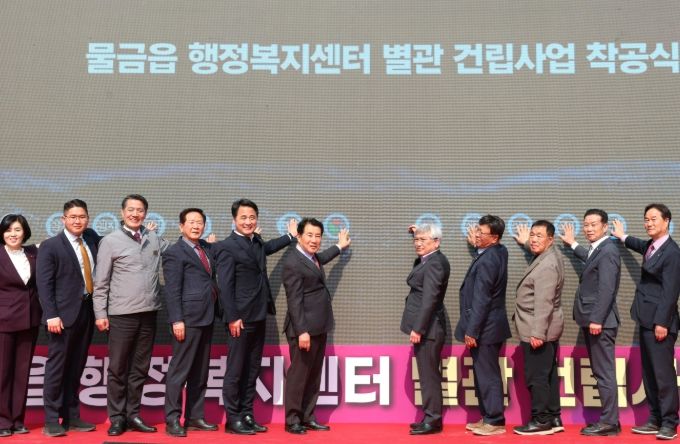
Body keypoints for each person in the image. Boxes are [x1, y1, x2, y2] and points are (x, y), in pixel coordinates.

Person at [214, 199, 297, 435]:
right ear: (234, 220)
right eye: (243, 217)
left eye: (252, 217)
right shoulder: (226, 247)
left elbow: (268, 247)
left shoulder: (256, 241)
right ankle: (233, 419)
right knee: (235, 370)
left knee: (252, 369)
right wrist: (233, 317)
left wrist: (290, 237)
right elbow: (225, 286)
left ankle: (247, 414)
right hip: (239, 319)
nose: (248, 221)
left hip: (259, 315)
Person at [93, 194, 170, 436]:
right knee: (117, 368)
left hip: (148, 313)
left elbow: (177, 251)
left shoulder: (153, 238)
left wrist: (206, 244)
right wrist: (100, 313)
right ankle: (117, 418)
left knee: (140, 368)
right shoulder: (110, 241)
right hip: (121, 315)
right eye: (131, 210)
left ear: (145, 214)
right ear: (122, 212)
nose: (135, 214)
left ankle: (133, 414)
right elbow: (100, 282)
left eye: (140, 210)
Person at [611, 203, 680, 440]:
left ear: (667, 221)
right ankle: (655, 418)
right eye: (646, 219)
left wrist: (662, 323)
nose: (649, 223)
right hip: (645, 319)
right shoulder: (652, 245)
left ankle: (669, 423)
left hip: (660, 324)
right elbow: (640, 245)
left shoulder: (672, 253)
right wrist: (622, 236)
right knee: (649, 373)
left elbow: (671, 292)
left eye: (653, 219)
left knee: (663, 375)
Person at [37, 199, 100, 437]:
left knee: (76, 366)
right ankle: (52, 419)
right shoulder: (51, 246)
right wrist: (51, 315)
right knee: (57, 367)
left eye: (82, 216)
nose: (77, 221)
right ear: (63, 219)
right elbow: (45, 285)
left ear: (88, 219)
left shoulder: (91, 239)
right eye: (73, 217)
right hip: (61, 317)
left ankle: (71, 415)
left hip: (87, 311)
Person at [282, 218, 351, 435]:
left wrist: (339, 246)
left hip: (319, 326)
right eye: (309, 235)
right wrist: (302, 331)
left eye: (318, 236)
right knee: (299, 376)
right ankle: (293, 420)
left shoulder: (312, 258)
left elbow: (323, 257)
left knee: (313, 375)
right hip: (304, 330)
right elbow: (294, 301)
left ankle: (308, 417)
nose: (314, 240)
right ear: (299, 236)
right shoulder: (293, 262)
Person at [560, 209, 621, 436]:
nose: (588, 228)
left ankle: (609, 422)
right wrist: (573, 244)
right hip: (594, 320)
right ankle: (610, 420)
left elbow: (607, 288)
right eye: (586, 224)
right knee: (601, 370)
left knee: (604, 372)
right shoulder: (599, 249)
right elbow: (590, 258)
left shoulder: (608, 250)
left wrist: (597, 319)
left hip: (600, 322)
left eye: (594, 224)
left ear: (605, 227)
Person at [162, 208, 219, 437]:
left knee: (200, 371)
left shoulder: (206, 248)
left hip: (207, 317)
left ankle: (195, 416)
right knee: (180, 372)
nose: (196, 226)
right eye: (192, 222)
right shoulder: (174, 252)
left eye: (200, 222)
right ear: (181, 226)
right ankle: (172, 419)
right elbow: (172, 290)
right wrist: (177, 319)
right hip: (187, 320)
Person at [455, 214, 510, 436]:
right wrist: (478, 245)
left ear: (494, 237)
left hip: (485, 328)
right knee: (484, 373)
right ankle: (488, 417)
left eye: (481, 232)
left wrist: (472, 331)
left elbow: (482, 299)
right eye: (477, 230)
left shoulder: (488, 260)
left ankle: (495, 420)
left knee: (488, 375)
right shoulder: (499, 251)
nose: (476, 235)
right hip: (491, 326)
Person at [511, 221, 564, 436]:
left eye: (539, 236)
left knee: (537, 377)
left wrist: (537, 333)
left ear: (550, 239)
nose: (533, 239)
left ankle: (540, 420)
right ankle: (553, 417)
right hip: (545, 327)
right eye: (532, 235)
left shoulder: (547, 265)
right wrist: (526, 243)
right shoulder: (551, 254)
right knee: (548, 374)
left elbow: (544, 302)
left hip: (537, 328)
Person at [401, 223, 450, 436]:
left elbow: (430, 299)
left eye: (423, 240)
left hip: (429, 330)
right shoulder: (429, 260)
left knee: (429, 376)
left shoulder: (435, 263)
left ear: (436, 242)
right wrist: (417, 232)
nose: (418, 244)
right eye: (416, 240)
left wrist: (418, 329)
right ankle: (429, 416)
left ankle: (433, 420)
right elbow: (419, 269)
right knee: (426, 375)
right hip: (427, 329)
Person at [0, 214, 41, 438]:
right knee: (2, 372)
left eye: (17, 229)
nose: (12, 234)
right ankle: (2, 420)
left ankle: (17, 420)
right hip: (3, 322)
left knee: (22, 373)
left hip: (29, 320)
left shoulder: (34, 253)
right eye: (8, 230)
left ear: (24, 232)